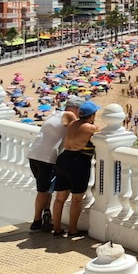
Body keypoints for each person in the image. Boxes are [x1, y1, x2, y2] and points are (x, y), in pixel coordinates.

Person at [26, 96, 83, 231]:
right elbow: (79, 129)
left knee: (47, 188)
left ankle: (46, 213)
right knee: (43, 190)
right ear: (75, 109)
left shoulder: (55, 114)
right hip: (45, 158)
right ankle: (36, 221)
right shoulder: (69, 115)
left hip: (35, 154)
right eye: (80, 111)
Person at [51, 101, 100, 237]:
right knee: (77, 198)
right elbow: (100, 134)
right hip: (78, 162)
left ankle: (57, 228)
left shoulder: (72, 124)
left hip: (63, 159)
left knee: (59, 198)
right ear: (91, 116)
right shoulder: (90, 128)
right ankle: (73, 229)